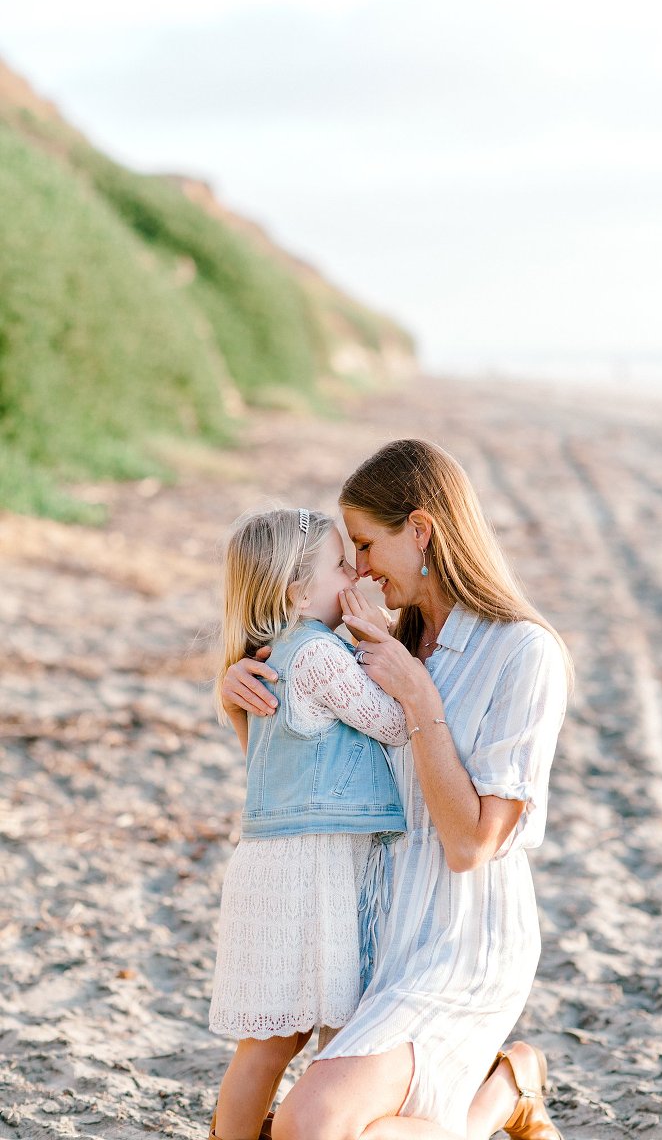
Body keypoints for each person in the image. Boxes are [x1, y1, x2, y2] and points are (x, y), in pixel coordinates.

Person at [221, 440, 571, 1140]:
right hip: (371, 938)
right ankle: (494, 1099)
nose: (360, 570)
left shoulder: (522, 653)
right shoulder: (371, 641)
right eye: (348, 551)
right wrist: (239, 700)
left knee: (306, 1128)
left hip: (457, 949)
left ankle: (503, 1091)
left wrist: (421, 703)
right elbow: (305, 776)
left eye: (367, 544)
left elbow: (474, 844)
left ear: (420, 530)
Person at [208, 507, 409, 1140]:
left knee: (273, 1038)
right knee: (303, 1034)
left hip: (278, 859)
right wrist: (382, 643)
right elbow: (398, 723)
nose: (355, 571)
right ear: (299, 590)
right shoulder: (321, 657)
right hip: (306, 868)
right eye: (340, 563)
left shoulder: (277, 654)